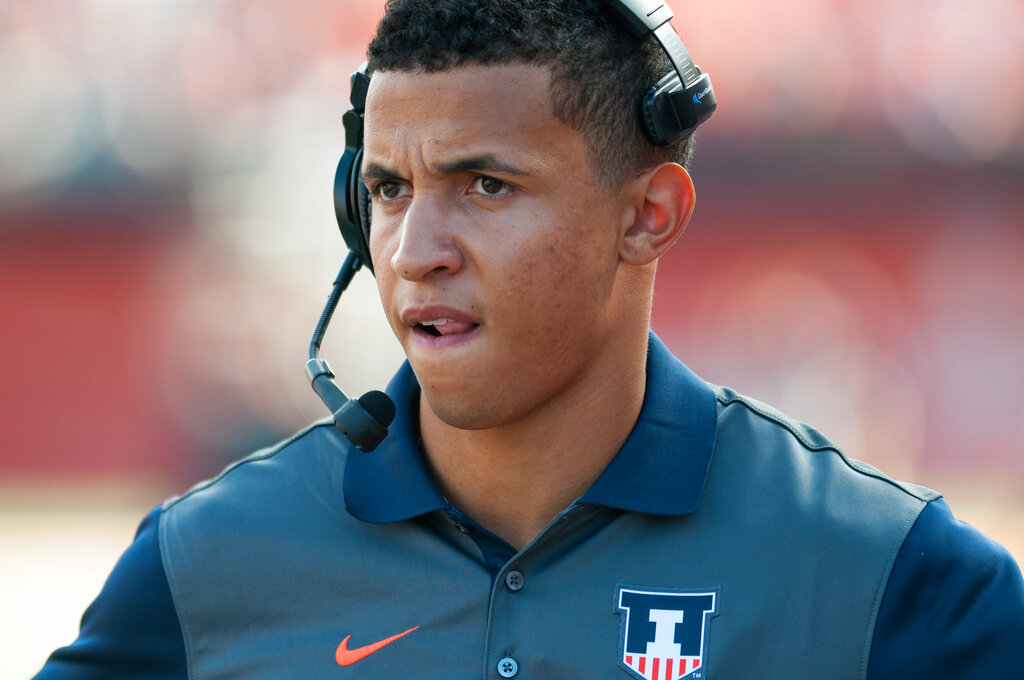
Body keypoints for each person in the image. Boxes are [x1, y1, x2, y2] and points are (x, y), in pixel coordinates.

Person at [34, 1, 1024, 678]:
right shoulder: (204, 563)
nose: (414, 251)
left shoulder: (888, 574)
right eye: (386, 189)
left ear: (648, 213)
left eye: (485, 185)